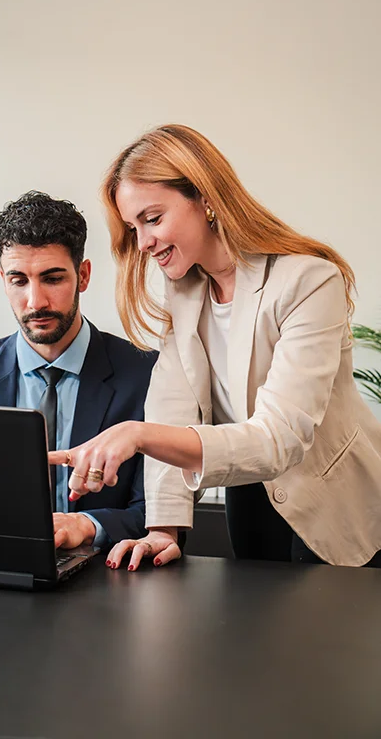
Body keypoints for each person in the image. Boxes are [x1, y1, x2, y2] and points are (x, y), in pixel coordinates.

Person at [49, 124, 381, 569]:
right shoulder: (184, 293)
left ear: (205, 199)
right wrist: (162, 529)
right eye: (134, 227)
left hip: (337, 508)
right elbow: (171, 408)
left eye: (152, 218)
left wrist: (138, 436)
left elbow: (280, 437)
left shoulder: (309, 281)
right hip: (250, 500)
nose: (143, 242)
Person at [0, 191, 157, 551]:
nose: (35, 302)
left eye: (52, 279)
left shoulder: (147, 372)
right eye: (18, 280)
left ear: (82, 275)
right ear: (3, 279)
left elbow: (163, 508)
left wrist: (86, 524)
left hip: (108, 583)